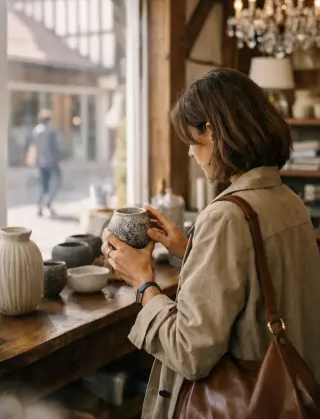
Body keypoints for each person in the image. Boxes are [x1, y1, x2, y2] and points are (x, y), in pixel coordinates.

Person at [102, 68, 320, 419]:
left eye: (192, 140)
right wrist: (189, 249)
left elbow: (189, 353)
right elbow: (259, 284)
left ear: (213, 131)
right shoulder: (287, 200)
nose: (191, 153)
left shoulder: (227, 217)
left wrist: (143, 284)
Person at [29, 109, 61, 217]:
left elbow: (34, 146)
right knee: (56, 183)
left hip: (40, 162)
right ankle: (48, 202)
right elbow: (55, 148)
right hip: (51, 162)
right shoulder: (51, 131)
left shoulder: (36, 131)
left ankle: (40, 207)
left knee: (43, 185)